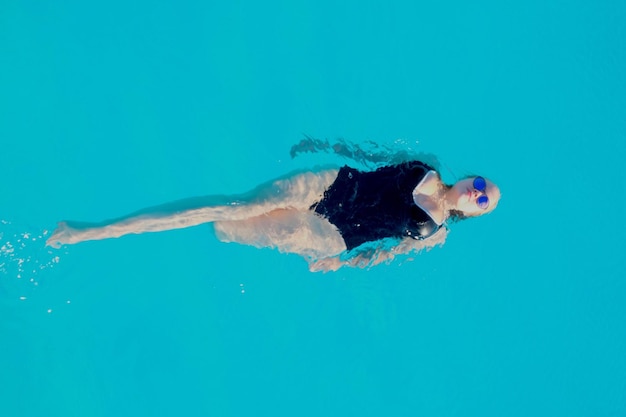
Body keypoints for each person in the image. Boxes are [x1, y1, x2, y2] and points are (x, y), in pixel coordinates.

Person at [46, 160, 500, 272]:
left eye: (482, 200)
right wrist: (322, 143)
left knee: (228, 227)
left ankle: (200, 230)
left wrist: (344, 263)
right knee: (232, 206)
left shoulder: (434, 234)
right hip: (331, 183)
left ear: (474, 213)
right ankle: (91, 232)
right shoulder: (428, 165)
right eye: (480, 184)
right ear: (469, 178)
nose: (476, 192)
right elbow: (376, 158)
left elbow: (387, 254)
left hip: (332, 235)